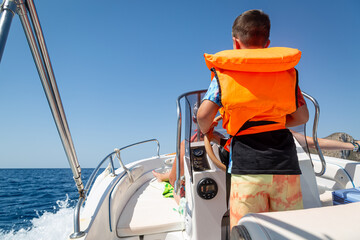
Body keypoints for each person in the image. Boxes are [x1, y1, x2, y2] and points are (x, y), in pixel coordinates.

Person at [197, 9, 309, 230]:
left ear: (235, 43)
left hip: (248, 167)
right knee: (290, 232)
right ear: (267, 43)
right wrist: (272, 119)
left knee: (247, 232)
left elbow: (202, 115)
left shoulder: (225, 74)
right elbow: (302, 116)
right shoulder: (286, 72)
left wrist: (207, 128)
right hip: (285, 165)